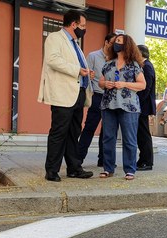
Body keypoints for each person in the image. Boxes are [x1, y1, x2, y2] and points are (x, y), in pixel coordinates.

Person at [38, 9, 94, 182]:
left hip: (78, 94)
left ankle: (74, 168)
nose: (84, 29)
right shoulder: (55, 38)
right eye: (83, 26)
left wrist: (85, 73)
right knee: (59, 132)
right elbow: (53, 60)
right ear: (73, 24)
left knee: (73, 132)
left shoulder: (75, 44)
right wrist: (78, 70)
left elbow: (75, 66)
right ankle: (52, 170)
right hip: (63, 95)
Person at [98, 34, 146, 180]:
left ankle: (130, 169)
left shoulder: (134, 65)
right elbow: (101, 82)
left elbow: (142, 85)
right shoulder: (108, 63)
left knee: (129, 139)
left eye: (119, 41)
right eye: (115, 41)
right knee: (108, 138)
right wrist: (105, 84)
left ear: (127, 45)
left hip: (129, 107)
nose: (116, 44)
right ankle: (108, 168)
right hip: (108, 104)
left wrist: (124, 84)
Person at [78, 33, 117, 167]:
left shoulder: (116, 59)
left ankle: (104, 160)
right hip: (97, 96)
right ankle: (78, 159)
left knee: (107, 131)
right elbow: (85, 75)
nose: (114, 46)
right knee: (89, 128)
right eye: (112, 43)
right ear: (106, 42)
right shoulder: (93, 56)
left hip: (111, 98)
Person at [136, 44, 156, 171]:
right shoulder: (145, 65)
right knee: (141, 134)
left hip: (143, 106)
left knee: (143, 134)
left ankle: (147, 161)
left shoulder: (147, 66)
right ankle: (143, 159)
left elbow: (146, 88)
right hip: (142, 105)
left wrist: (138, 101)